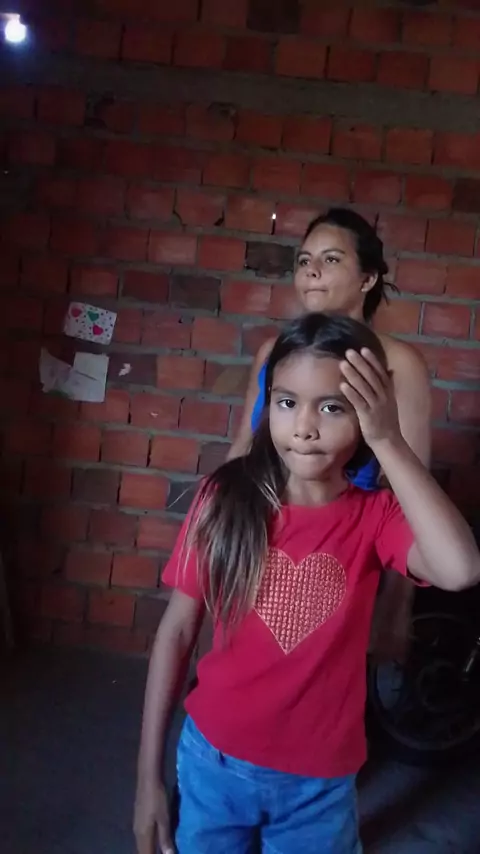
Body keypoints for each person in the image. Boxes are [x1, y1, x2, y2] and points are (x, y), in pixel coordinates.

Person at [134, 314, 479, 854]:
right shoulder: (225, 498)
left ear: (367, 414)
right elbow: (177, 631)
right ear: (267, 404)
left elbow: (461, 569)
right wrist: (147, 779)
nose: (304, 427)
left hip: (320, 786)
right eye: (287, 402)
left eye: (333, 407)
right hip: (212, 764)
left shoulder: (376, 516)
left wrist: (389, 439)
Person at [229, 207, 431, 659]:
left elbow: (411, 490)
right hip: (266, 535)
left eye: (332, 259)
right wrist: (220, 524)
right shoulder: (273, 353)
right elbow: (244, 446)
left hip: (352, 549)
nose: (312, 270)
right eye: (304, 260)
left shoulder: (399, 364)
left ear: (368, 279)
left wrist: (397, 605)